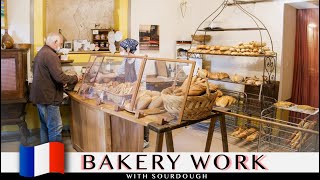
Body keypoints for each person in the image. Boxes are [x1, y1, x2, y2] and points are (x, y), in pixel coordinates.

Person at [30, 32, 81, 144]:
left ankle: (45, 153)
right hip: (49, 98)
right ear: (55, 42)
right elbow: (59, 77)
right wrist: (75, 78)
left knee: (45, 127)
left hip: (40, 96)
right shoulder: (50, 55)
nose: (61, 46)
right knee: (55, 128)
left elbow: (48, 75)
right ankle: (54, 157)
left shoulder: (42, 52)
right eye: (61, 44)